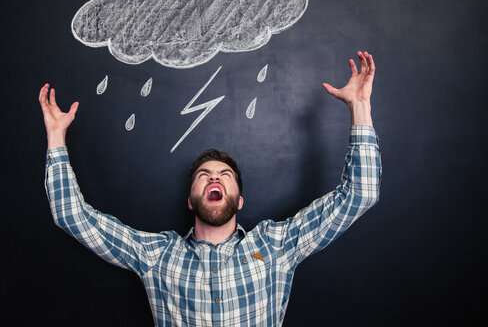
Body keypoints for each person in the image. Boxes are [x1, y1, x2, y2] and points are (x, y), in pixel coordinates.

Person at [39, 51, 381, 326]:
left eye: (224, 175)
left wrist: (359, 107)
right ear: (190, 200)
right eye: (204, 175)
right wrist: (56, 138)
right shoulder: (158, 256)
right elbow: (73, 218)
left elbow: (359, 195)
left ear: (240, 199)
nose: (214, 178)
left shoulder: (276, 246)